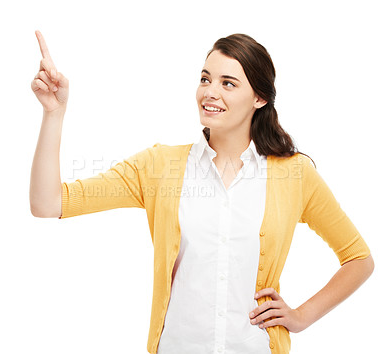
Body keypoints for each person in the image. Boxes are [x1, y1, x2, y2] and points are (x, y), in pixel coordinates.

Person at [29, 31, 374, 354]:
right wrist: (54, 113)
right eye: (205, 78)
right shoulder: (159, 167)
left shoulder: (294, 174)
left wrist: (302, 316)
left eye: (228, 83)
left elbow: (359, 259)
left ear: (259, 97)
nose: (210, 92)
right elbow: (49, 203)